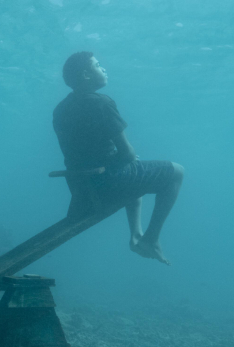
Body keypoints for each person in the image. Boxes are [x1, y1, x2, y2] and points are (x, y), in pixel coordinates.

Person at [53, 51, 184, 265]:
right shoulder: (101, 103)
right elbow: (128, 153)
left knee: (135, 169)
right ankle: (150, 238)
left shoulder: (60, 109)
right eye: (98, 64)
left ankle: (136, 235)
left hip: (81, 189)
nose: (103, 68)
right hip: (108, 184)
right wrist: (127, 158)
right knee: (176, 171)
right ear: (86, 74)